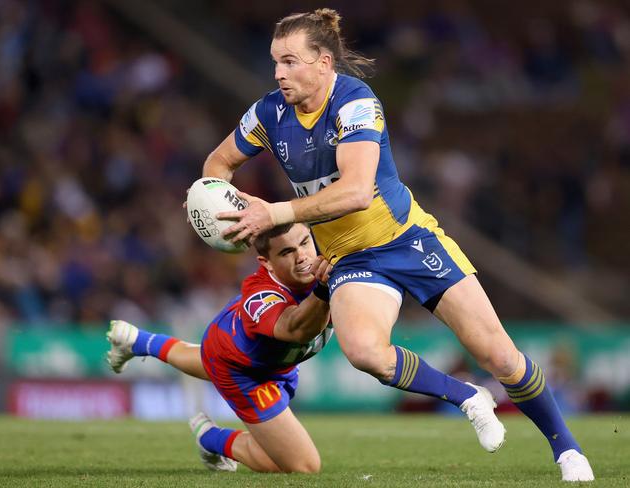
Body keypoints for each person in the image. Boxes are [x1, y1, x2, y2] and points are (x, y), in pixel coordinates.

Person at [203, 8, 594, 482]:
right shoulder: (269, 113)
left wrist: (276, 212)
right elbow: (218, 163)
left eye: (290, 61)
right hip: (349, 259)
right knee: (364, 351)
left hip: (407, 239)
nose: (278, 73)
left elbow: (356, 191)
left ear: (323, 63)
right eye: (275, 62)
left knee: (499, 356)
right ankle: (469, 396)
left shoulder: (355, 102)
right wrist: (220, 209)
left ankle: (567, 450)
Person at [107, 223, 332, 473]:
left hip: (253, 351)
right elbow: (298, 329)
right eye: (286, 252)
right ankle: (212, 439)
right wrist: (325, 288)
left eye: (304, 243)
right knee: (303, 466)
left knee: (205, 361)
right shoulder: (261, 296)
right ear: (266, 262)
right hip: (244, 371)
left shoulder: (325, 261)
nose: (301, 256)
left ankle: (139, 341)